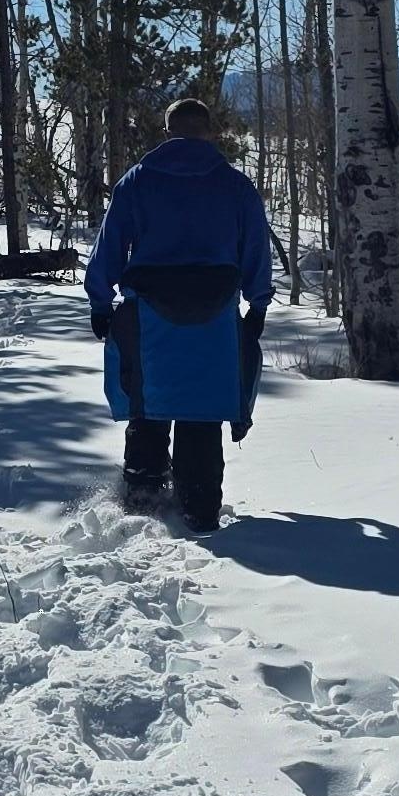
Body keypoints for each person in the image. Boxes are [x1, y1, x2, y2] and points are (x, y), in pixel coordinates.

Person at [84, 96, 274, 532]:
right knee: (202, 412)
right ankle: (200, 510)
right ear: (210, 133)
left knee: (148, 407)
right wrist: (258, 303)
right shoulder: (236, 187)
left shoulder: (137, 182)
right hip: (215, 320)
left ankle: (142, 504)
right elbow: (255, 251)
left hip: (149, 317)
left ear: (168, 132)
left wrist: (100, 302)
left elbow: (109, 245)